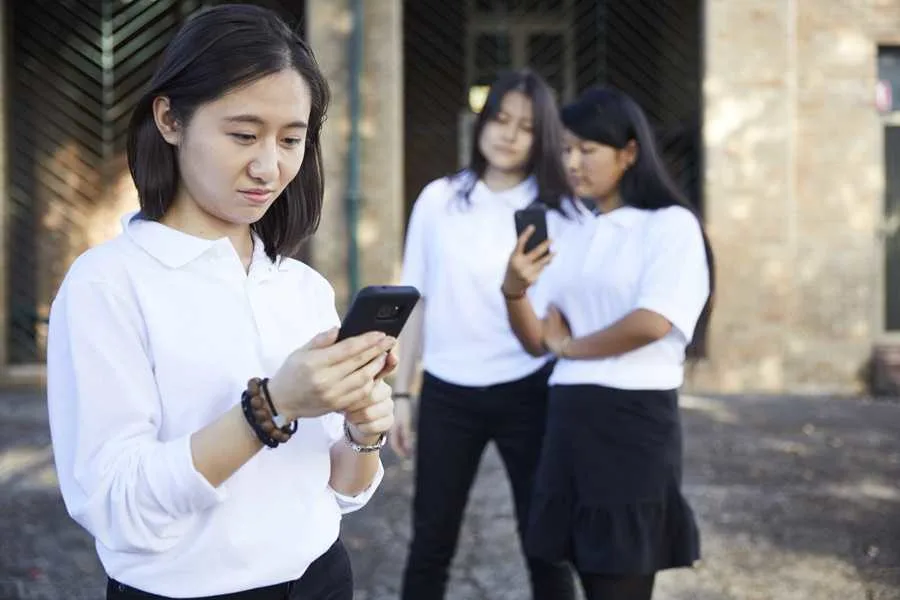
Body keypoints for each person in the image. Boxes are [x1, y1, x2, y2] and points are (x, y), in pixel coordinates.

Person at [46, 5, 396, 599]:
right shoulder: (107, 284)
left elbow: (339, 491)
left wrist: (364, 432)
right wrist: (272, 407)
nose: (269, 166)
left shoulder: (302, 287)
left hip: (322, 579)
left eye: (291, 139)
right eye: (243, 135)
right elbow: (118, 506)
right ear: (170, 119)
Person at [501, 85, 716, 600]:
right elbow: (539, 339)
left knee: (620, 577)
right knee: (573, 565)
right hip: (569, 416)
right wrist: (513, 289)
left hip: (632, 421)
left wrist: (571, 349)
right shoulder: (572, 229)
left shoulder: (670, 226)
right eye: (566, 150)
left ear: (629, 152)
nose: (572, 163)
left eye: (587, 150)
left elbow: (654, 321)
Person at [391, 69, 588, 600]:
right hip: (448, 392)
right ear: (482, 122)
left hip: (530, 389)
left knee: (544, 545)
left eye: (526, 127)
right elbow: (416, 300)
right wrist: (402, 395)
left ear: (542, 137)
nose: (509, 135)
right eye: (500, 119)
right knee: (431, 542)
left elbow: (572, 309)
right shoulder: (439, 199)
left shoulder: (560, 211)